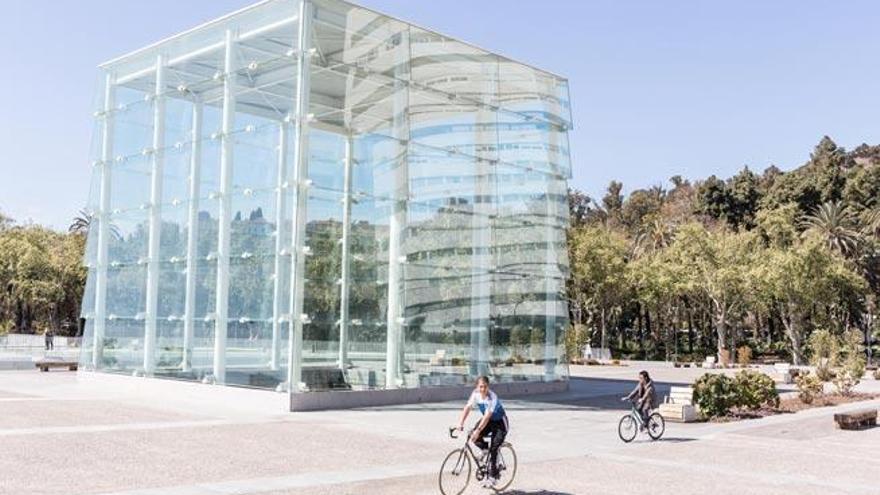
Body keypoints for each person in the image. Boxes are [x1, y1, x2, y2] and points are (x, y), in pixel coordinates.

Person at [456, 376, 508, 488]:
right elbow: (467, 408)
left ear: (488, 387)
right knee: (472, 434)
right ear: (477, 387)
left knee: (494, 448)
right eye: (481, 386)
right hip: (488, 421)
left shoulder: (492, 397)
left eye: (485, 386)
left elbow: (487, 417)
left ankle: (493, 477)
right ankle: (484, 449)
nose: (483, 389)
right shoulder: (475, 394)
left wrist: (478, 431)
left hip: (500, 423)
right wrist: (460, 423)